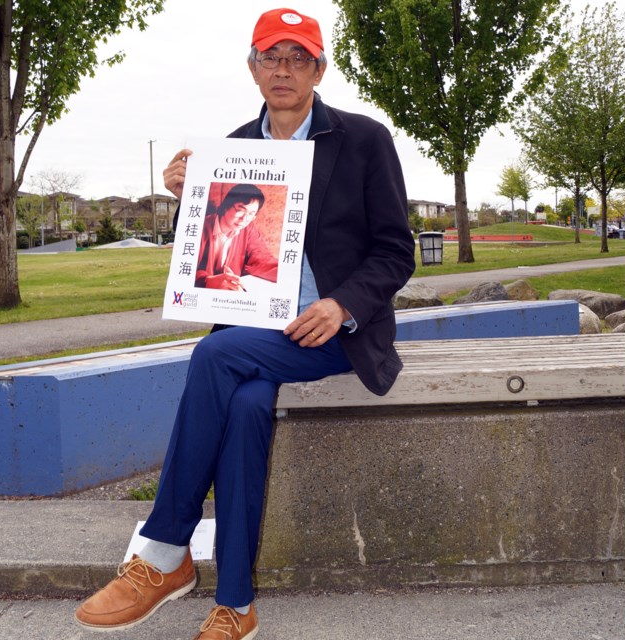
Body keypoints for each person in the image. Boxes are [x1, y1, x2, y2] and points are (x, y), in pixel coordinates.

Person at [74, 7, 415, 639]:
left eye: (297, 57)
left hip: (333, 334)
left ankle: (164, 552)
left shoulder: (365, 139)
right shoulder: (231, 149)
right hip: (253, 332)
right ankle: (235, 604)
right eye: (270, 57)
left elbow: (396, 251)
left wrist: (342, 304)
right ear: (252, 67)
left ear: (320, 67)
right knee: (249, 405)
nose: (282, 70)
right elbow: (208, 260)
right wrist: (189, 199)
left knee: (213, 358)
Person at [196, 183, 278, 290]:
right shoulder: (200, 227)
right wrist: (207, 281)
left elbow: (261, 259)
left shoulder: (248, 230)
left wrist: (286, 274)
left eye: (251, 214)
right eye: (241, 210)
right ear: (226, 206)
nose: (244, 219)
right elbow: (186, 267)